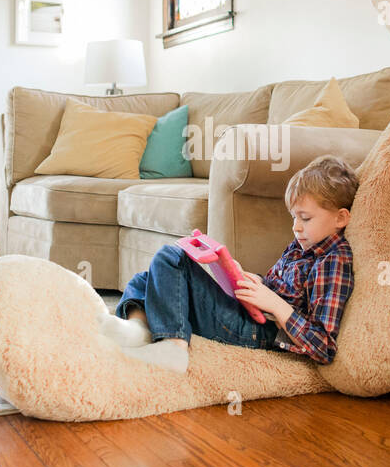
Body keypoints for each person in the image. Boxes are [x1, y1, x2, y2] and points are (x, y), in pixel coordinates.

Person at [100, 154, 358, 373]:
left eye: (305, 218)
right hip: (251, 312)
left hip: (260, 332)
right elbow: (281, 287)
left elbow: (323, 346)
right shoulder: (304, 243)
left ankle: (174, 347)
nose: (296, 227)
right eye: (294, 217)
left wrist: (274, 304)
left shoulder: (332, 261)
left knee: (170, 257)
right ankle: (139, 330)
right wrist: (254, 281)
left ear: (340, 218)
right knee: (145, 280)